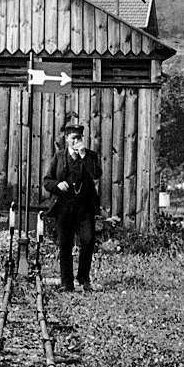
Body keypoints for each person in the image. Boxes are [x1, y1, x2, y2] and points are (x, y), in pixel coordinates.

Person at [43, 122, 105, 291]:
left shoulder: (90, 156)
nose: (76, 141)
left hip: (85, 207)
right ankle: (66, 282)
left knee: (88, 240)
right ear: (67, 139)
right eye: (73, 138)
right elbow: (46, 181)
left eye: (79, 138)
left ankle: (83, 278)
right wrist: (57, 185)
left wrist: (84, 156)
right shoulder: (59, 157)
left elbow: (96, 174)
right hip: (64, 207)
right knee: (65, 244)